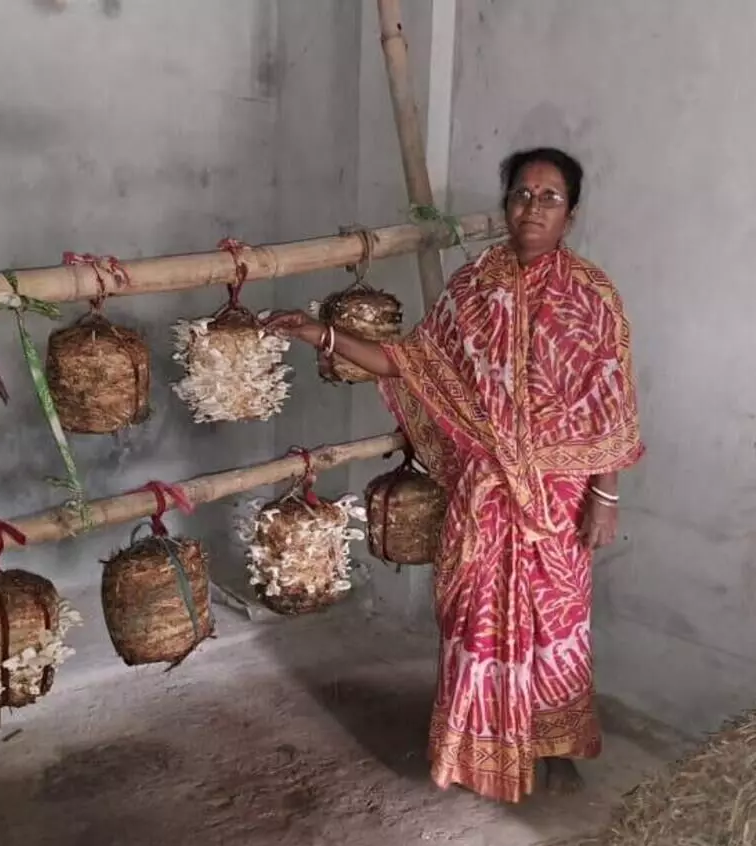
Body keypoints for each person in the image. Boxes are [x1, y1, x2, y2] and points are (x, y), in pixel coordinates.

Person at [264, 147, 644, 803]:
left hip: (556, 503)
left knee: (555, 628)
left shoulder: (592, 295)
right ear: (506, 206)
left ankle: (554, 752)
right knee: (476, 623)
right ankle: (475, 752)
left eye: (549, 197)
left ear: (571, 213)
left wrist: (606, 496)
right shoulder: (471, 290)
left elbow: (612, 402)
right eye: (522, 195)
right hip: (482, 499)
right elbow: (406, 364)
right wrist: (316, 334)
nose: (532, 207)